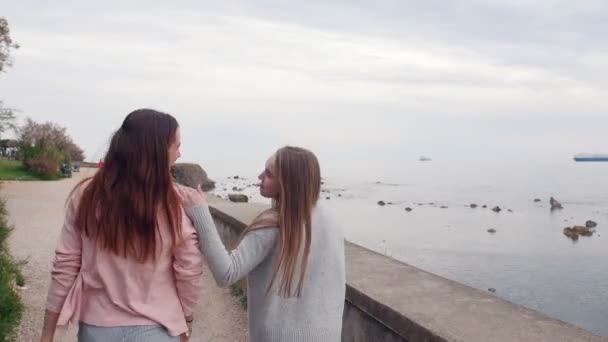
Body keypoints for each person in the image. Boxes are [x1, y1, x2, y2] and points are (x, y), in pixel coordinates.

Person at [40, 109, 203, 342]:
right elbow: (189, 269)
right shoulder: (174, 203)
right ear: (155, 151)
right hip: (160, 329)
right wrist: (185, 320)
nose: (179, 153)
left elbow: (65, 264)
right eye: (176, 146)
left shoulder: (87, 195)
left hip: (97, 328)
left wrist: (47, 333)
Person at [178, 146, 346, 342]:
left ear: (287, 183)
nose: (259, 177)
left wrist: (200, 211)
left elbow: (226, 273)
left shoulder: (272, 225)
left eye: (268, 174)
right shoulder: (332, 221)